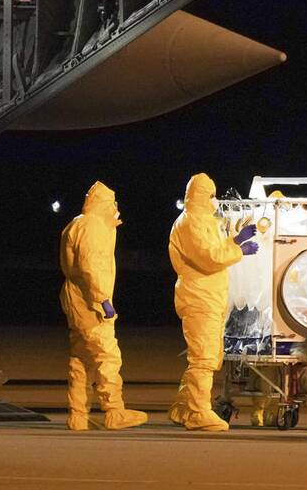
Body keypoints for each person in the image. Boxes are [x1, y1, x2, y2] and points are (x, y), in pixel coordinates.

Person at [167, 173, 258, 432]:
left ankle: (184, 407)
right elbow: (209, 257)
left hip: (210, 297)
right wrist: (239, 250)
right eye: (211, 195)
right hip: (199, 297)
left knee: (210, 356)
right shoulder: (190, 222)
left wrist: (235, 240)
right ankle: (198, 412)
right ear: (200, 196)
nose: (214, 200)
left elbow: (214, 249)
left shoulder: (204, 221)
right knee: (203, 358)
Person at [58, 181, 149, 431]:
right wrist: (103, 300)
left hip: (76, 298)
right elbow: (91, 265)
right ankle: (114, 410)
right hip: (90, 302)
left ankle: (78, 415)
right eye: (113, 203)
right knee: (107, 355)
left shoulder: (77, 223)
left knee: (81, 357)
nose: (116, 208)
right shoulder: (93, 227)